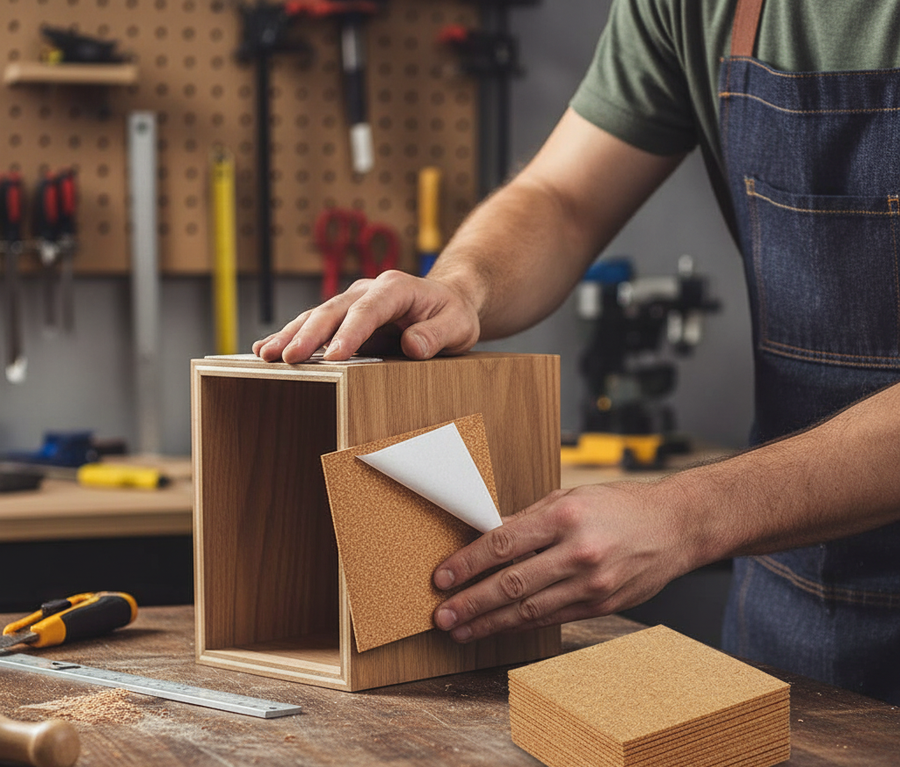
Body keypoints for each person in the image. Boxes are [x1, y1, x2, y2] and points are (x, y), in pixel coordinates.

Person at [255, 0, 900, 704]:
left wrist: (689, 515)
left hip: (746, 522)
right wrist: (463, 287)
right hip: (796, 599)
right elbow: (562, 197)